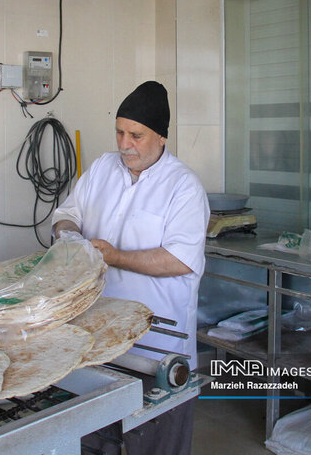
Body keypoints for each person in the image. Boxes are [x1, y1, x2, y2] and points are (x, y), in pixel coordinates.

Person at [51, 81, 209, 455]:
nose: (124, 144)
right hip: (97, 333)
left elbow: (180, 259)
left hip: (157, 345)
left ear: (161, 137)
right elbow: (66, 214)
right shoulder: (104, 168)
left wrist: (115, 255)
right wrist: (69, 234)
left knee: (156, 439)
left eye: (136, 135)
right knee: (93, 432)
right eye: (120, 132)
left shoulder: (183, 187)